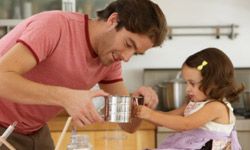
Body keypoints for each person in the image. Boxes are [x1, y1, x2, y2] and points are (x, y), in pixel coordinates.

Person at [0, 0, 168, 149]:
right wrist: (66, 97)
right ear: (113, 20)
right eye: (128, 43)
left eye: (136, 53)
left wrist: (138, 105)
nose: (126, 57)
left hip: (34, 131)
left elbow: (128, 125)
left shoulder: (109, 61)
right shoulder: (55, 26)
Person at [135, 47, 244, 150]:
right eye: (186, 83)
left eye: (192, 83)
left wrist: (150, 114)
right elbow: (167, 118)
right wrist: (146, 113)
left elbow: (185, 124)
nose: (187, 89)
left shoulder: (217, 107)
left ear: (213, 83)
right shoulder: (193, 104)